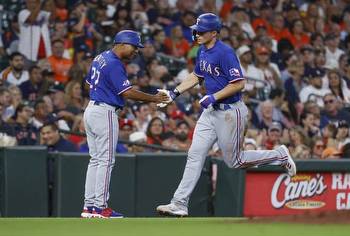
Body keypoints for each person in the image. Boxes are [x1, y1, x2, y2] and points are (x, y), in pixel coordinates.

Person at [156, 13, 296, 217]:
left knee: (235, 161)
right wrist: (175, 92)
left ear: (214, 33)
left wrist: (213, 97)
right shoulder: (202, 50)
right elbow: (197, 75)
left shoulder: (225, 52)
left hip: (231, 112)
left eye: (201, 31)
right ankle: (179, 203)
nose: (197, 33)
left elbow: (239, 83)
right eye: (196, 30)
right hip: (211, 112)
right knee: (195, 155)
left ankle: (279, 155)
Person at [81, 30, 169, 219]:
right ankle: (100, 207)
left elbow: (89, 83)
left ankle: (89, 207)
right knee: (105, 160)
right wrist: (154, 98)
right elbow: (127, 93)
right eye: (135, 47)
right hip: (104, 111)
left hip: (91, 109)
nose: (136, 51)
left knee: (95, 159)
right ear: (122, 43)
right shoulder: (113, 63)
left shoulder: (100, 57)